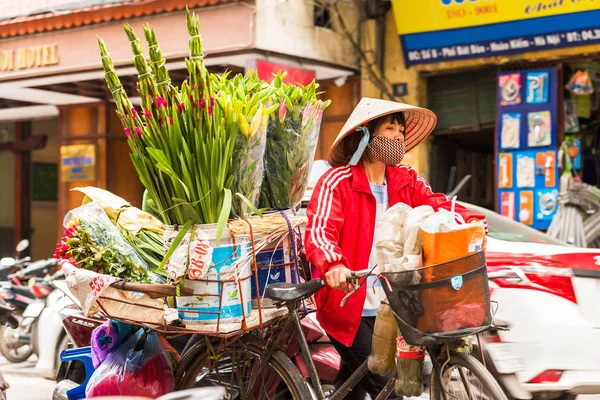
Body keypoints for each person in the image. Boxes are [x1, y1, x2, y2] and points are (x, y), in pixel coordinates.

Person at [304, 98, 486, 399]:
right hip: (348, 300)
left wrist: (471, 224)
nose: (399, 136)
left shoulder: (406, 179)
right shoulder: (337, 181)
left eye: (402, 130)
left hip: (394, 299)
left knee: (354, 384)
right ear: (364, 134)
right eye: (390, 128)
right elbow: (320, 229)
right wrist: (334, 264)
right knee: (384, 385)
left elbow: (437, 206)